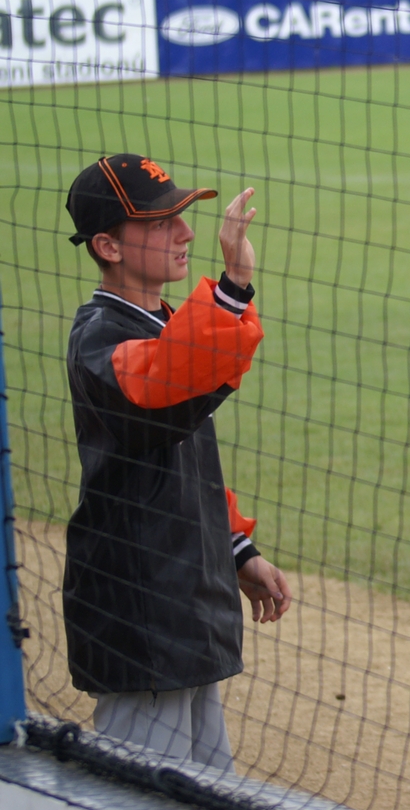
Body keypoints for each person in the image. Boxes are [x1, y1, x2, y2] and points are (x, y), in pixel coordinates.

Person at [63, 154, 292, 770]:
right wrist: (231, 289)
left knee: (209, 806)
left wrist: (237, 549)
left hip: (183, 606)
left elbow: (185, 459)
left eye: (181, 217)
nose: (186, 233)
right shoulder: (100, 338)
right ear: (108, 246)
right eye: (161, 223)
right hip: (137, 616)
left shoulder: (168, 325)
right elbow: (165, 385)